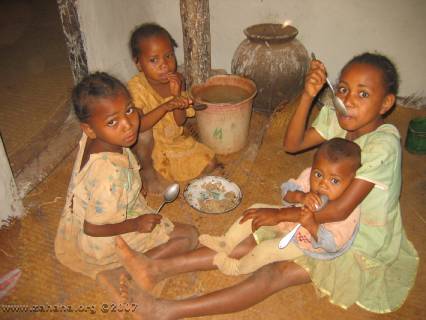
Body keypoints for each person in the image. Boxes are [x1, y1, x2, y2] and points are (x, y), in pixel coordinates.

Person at [111, 52, 418, 319]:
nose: (349, 100)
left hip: (350, 239)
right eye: (343, 89)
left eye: (363, 94)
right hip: (314, 212)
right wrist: (308, 96)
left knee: (272, 273)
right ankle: (157, 269)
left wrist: (281, 216)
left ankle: (166, 311)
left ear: (386, 104)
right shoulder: (341, 118)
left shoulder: (384, 146)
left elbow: (339, 211)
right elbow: (292, 143)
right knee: (252, 237)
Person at [54, 72, 198, 289]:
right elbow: (92, 227)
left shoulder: (95, 140)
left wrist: (167, 105)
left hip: (96, 218)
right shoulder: (111, 175)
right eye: (113, 121)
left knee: (181, 233)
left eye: (129, 110)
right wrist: (135, 224)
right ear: (89, 129)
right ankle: (125, 271)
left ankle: (128, 263)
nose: (128, 125)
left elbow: (139, 123)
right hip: (102, 240)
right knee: (189, 237)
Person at [199, 138, 362, 276]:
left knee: (265, 251)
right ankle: (227, 242)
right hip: (289, 220)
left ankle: (235, 268)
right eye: (318, 175)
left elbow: (332, 245)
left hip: (306, 243)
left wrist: (312, 225)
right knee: (255, 209)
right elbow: (285, 192)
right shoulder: (309, 175)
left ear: (352, 181)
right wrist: (300, 196)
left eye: (334, 181)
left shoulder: (349, 210)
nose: (322, 184)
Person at [128, 23, 216, 194]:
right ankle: (147, 171)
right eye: (154, 60)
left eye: (168, 56)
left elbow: (180, 121)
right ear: (138, 64)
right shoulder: (136, 86)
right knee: (145, 137)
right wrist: (165, 106)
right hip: (149, 146)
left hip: (173, 141)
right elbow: (140, 125)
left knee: (209, 162)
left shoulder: (176, 81)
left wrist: (176, 97)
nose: (164, 65)